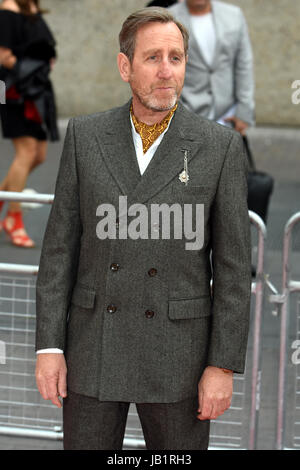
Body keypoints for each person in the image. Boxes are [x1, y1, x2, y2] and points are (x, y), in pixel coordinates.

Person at [35, 7, 252, 450]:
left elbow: (232, 270)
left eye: (176, 57)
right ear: (125, 66)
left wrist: (222, 366)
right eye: (153, 57)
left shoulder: (220, 146)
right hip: (94, 349)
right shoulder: (85, 136)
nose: (166, 71)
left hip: (180, 357)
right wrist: (50, 348)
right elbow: (59, 251)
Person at [0, 0, 58, 247]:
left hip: (37, 92)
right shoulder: (7, 11)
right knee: (26, 152)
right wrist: (32, 72)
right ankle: (13, 219)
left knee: (39, 155)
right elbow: (3, 56)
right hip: (15, 91)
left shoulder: (31, 8)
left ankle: (4, 199)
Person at [168, 0, 255, 135]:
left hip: (228, 115)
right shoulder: (169, 18)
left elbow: (243, 65)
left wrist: (244, 112)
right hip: (187, 113)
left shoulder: (234, 15)